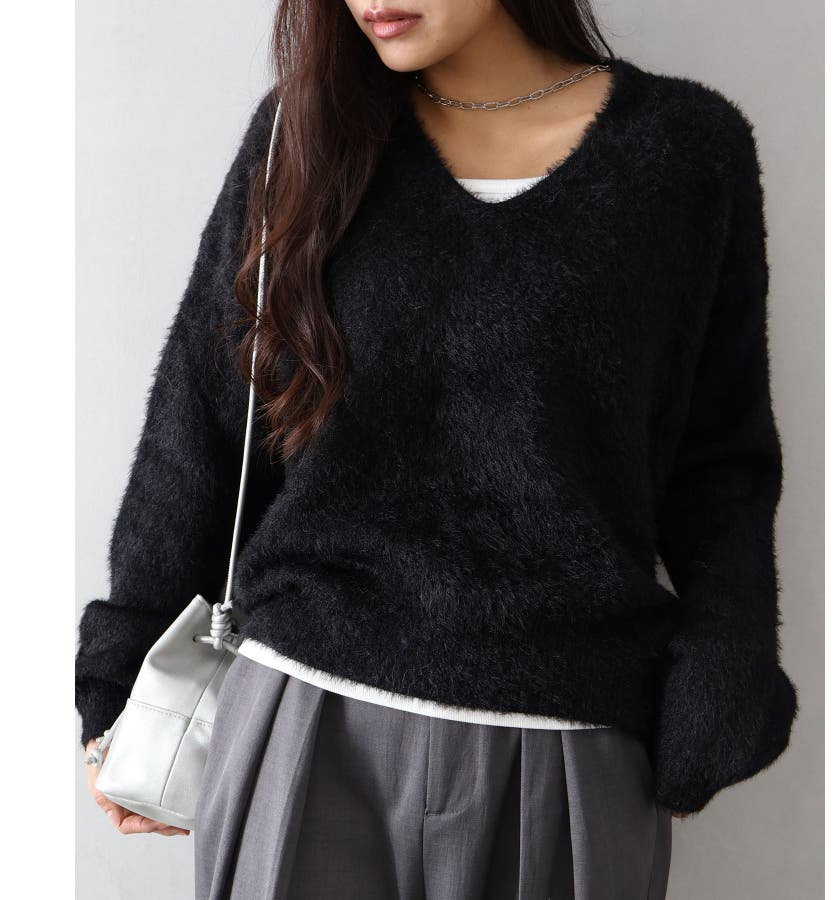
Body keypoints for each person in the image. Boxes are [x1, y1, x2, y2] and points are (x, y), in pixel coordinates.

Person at [77, 2, 799, 897]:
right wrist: (119, 679)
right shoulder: (304, 135)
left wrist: (722, 684)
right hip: (300, 718)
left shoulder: (686, 152)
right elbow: (201, 423)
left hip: (571, 740)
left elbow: (721, 461)